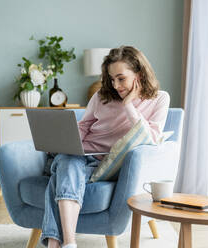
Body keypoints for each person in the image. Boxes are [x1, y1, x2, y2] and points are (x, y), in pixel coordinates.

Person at [41, 46, 170, 248]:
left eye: (121, 78)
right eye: (111, 79)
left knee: (59, 177)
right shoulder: (102, 96)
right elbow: (83, 126)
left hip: (107, 164)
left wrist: (129, 105)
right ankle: (68, 243)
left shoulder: (159, 99)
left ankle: (55, 243)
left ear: (139, 73)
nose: (115, 85)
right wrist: (61, 141)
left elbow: (150, 138)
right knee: (68, 160)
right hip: (80, 154)